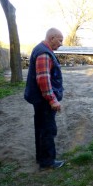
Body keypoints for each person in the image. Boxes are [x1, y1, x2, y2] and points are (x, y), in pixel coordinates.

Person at [24, 28, 65, 170]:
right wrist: (52, 99)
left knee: (41, 128)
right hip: (44, 101)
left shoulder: (43, 49)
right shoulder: (44, 53)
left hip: (40, 100)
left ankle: (41, 158)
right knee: (47, 129)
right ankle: (47, 162)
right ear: (52, 37)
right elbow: (43, 79)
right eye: (60, 40)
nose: (61, 44)